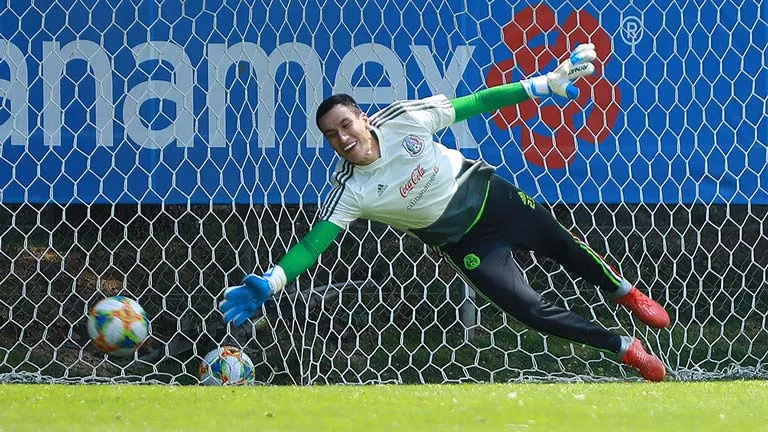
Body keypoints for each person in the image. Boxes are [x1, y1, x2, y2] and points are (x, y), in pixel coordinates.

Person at [220, 43, 670, 382]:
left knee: (564, 248)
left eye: (345, 124)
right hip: (462, 241)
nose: (343, 137)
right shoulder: (349, 189)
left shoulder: (402, 119)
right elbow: (313, 243)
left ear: (361, 117)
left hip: (488, 196)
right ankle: (625, 347)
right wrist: (273, 280)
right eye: (332, 135)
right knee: (530, 310)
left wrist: (540, 86)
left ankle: (624, 293)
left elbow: (472, 104)